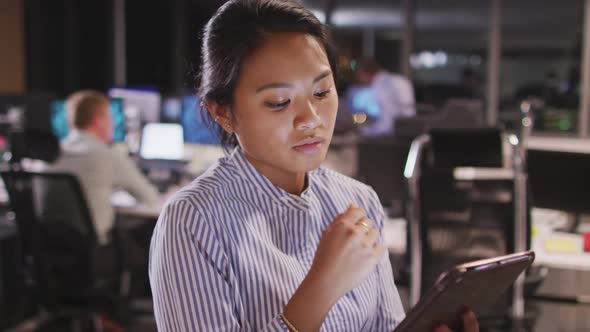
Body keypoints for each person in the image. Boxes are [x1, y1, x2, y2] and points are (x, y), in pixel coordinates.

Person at [149, 1, 479, 331]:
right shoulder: (193, 219)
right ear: (223, 112)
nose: (311, 119)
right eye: (279, 102)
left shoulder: (358, 201)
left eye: (322, 92)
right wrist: (322, 287)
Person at [49, 90, 159, 245]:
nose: (113, 124)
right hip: (95, 253)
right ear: (98, 121)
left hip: (50, 250)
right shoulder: (106, 155)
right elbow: (150, 198)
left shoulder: (52, 154)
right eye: (110, 117)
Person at [354, 58, 416, 137]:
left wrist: (363, 131)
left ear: (365, 73)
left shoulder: (384, 86)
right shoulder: (396, 80)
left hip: (397, 137)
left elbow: (387, 124)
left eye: (358, 75)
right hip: (403, 133)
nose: (358, 80)